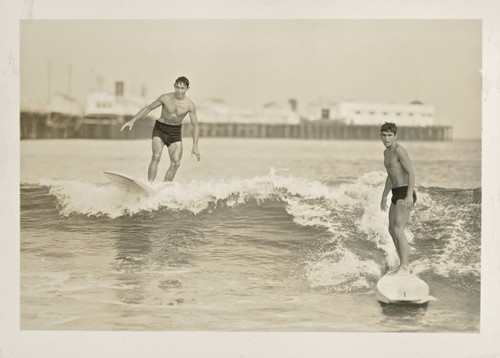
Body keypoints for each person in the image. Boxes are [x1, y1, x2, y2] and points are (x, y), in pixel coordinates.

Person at [121, 76, 200, 183]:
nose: (179, 90)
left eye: (182, 88)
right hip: (160, 129)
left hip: (175, 132)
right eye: (177, 87)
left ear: (187, 88)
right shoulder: (165, 98)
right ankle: (150, 185)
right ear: (174, 86)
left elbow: (195, 125)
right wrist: (133, 120)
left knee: (176, 163)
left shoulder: (189, 105)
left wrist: (195, 145)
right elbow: (149, 108)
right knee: (156, 157)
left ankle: (164, 187)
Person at [379, 122, 416, 274]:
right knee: (391, 229)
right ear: (380, 136)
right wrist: (384, 196)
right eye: (384, 135)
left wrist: (409, 195)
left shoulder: (399, 150)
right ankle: (403, 263)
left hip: (404, 192)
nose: (386, 138)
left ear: (395, 136)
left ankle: (405, 266)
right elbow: (390, 175)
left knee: (398, 228)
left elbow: (411, 173)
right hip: (395, 193)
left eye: (389, 135)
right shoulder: (385, 153)